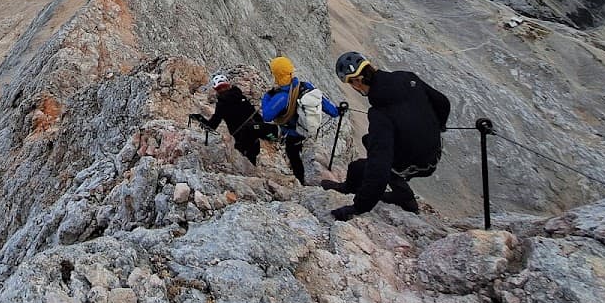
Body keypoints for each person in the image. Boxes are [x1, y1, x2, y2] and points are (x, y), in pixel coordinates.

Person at [324, 51, 450, 220]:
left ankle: (402, 197)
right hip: (434, 151)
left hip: (417, 164)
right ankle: (401, 195)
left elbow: (379, 169)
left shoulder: (380, 114)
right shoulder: (406, 77)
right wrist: (437, 127)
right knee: (368, 141)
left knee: (360, 166)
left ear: (356, 82)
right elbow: (443, 102)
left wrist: (358, 207)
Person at [260, 56, 333, 184]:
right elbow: (323, 102)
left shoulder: (281, 98)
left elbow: (267, 116)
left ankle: (300, 181)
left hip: (293, 134)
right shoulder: (305, 86)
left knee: (293, 156)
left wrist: (267, 96)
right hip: (307, 130)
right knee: (300, 155)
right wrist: (336, 111)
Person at [189, 73, 266, 165]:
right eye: (220, 88)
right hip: (254, 139)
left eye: (222, 87)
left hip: (241, 142)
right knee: (251, 162)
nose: (222, 90)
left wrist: (200, 118)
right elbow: (256, 116)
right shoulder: (240, 96)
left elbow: (212, 126)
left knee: (245, 166)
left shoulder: (222, 104)